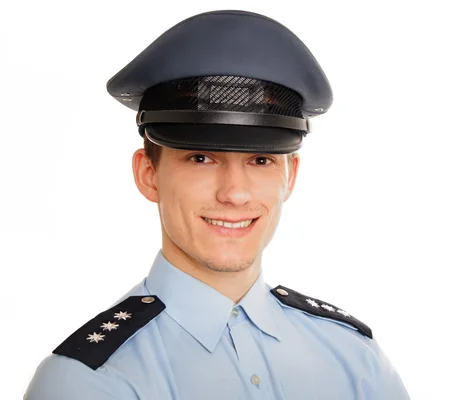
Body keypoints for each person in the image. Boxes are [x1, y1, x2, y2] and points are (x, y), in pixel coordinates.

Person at [24, 10, 411, 399]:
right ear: (148, 174)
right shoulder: (89, 382)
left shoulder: (355, 359)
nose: (235, 193)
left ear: (290, 176)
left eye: (260, 161)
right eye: (201, 158)